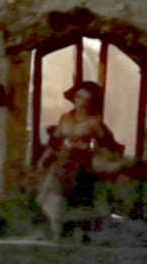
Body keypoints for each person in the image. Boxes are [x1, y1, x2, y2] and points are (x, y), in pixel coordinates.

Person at [36, 81, 125, 239]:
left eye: (86, 100)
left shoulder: (94, 122)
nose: (81, 103)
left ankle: (76, 225)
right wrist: (44, 158)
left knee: (75, 184)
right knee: (53, 178)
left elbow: (107, 143)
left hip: (82, 162)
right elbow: (54, 142)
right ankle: (51, 222)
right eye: (78, 97)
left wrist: (94, 151)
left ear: (92, 102)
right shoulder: (65, 118)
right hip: (63, 159)